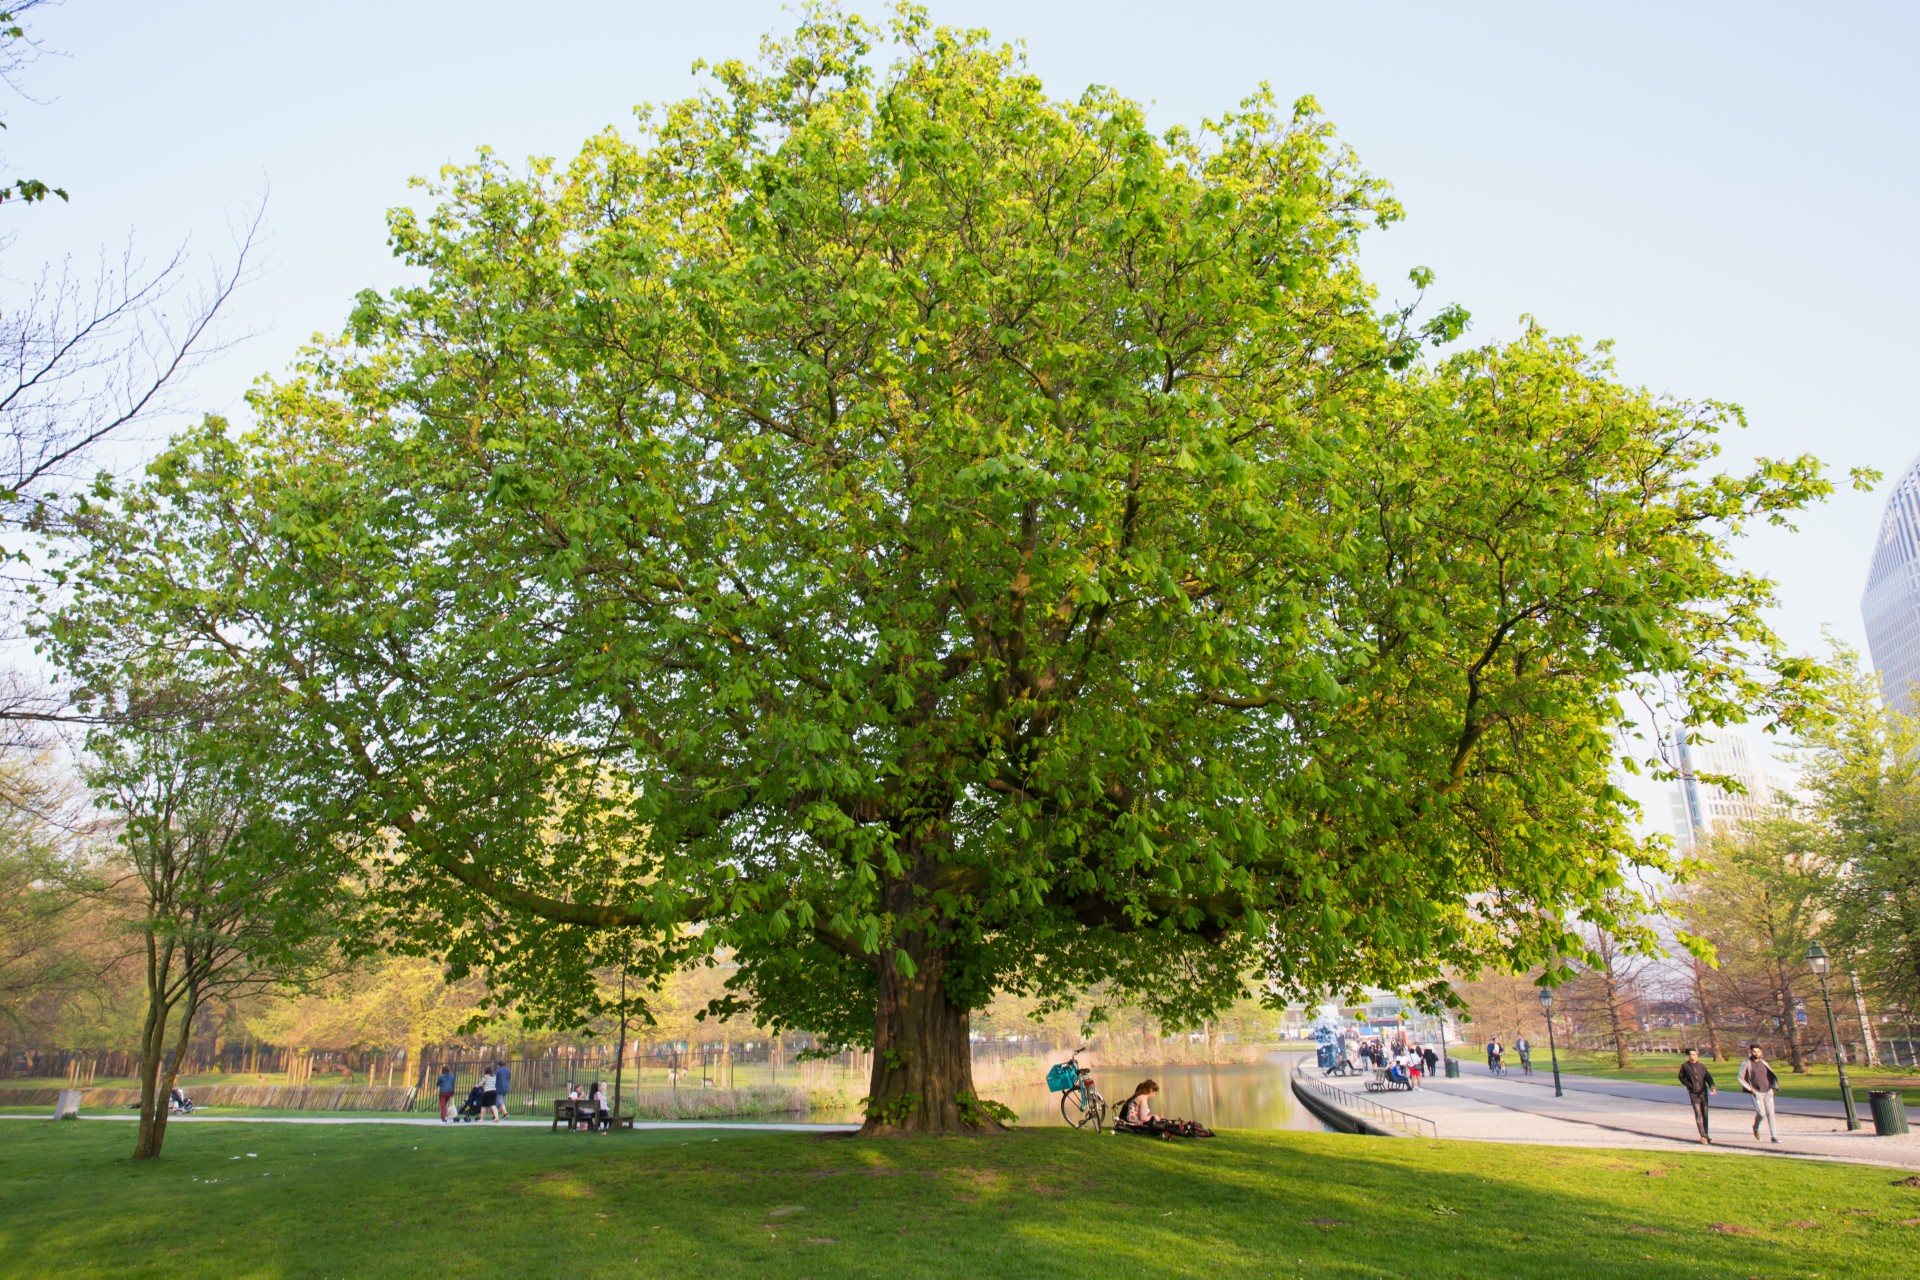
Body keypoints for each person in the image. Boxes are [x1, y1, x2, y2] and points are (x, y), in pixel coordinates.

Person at [1738, 1044, 1780, 1143]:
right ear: (1751, 1052)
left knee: (1771, 1113)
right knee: (1761, 1113)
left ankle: (1774, 1136)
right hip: (1757, 1092)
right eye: (1754, 1051)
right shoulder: (1746, 1064)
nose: (1756, 1053)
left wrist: (1772, 1087)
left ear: (1761, 1052)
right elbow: (1740, 1078)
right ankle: (1756, 1128)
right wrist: (1750, 1089)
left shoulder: (1764, 1063)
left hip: (1768, 1091)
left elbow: (1770, 1075)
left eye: (1758, 1051)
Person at [1677, 1047, 1717, 1144]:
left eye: (1695, 1054)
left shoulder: (1702, 1066)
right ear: (1688, 1056)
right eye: (1691, 1054)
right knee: (1698, 1114)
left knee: (1705, 1114)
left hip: (1703, 1093)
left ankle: (1706, 1134)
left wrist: (1712, 1086)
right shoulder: (1685, 1066)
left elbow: (1708, 1078)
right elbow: (1681, 1078)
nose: (1694, 1056)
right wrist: (1689, 1086)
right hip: (1694, 1093)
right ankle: (1703, 1135)